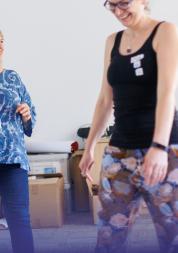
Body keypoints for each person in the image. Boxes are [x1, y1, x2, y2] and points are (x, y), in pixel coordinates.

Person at [79, 1, 178, 253]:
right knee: (109, 235)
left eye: (124, 2)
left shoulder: (165, 32)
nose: (118, 11)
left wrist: (158, 146)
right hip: (120, 151)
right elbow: (104, 100)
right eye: (111, 5)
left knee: (172, 234)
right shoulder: (112, 40)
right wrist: (89, 147)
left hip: (165, 151)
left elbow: (167, 93)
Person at [0, 30, 36, 253]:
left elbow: (31, 111)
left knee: (19, 218)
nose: (0, 44)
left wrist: (26, 114)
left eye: (1, 40)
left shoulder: (13, 77)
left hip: (13, 158)